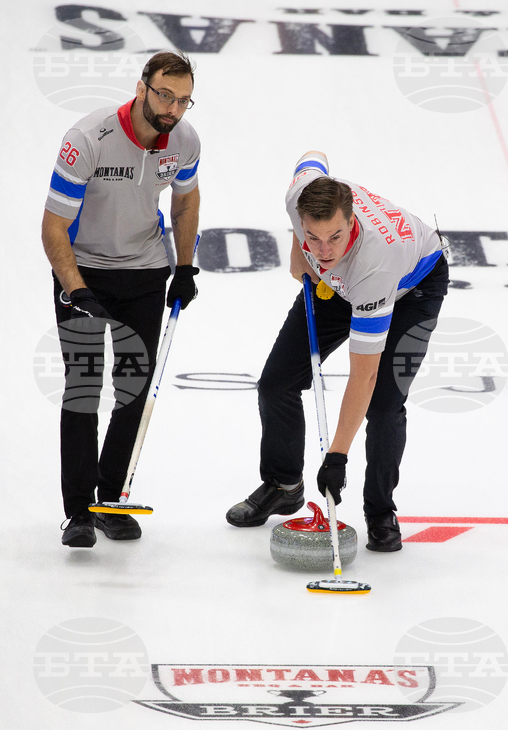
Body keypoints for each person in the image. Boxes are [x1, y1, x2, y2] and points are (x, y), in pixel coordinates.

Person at [225, 151, 448, 551]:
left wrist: (337, 457)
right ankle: (284, 484)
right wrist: (300, 250)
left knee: (383, 406)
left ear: (352, 221)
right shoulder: (301, 198)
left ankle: (380, 510)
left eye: (334, 237)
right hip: (336, 286)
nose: (324, 250)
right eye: (314, 236)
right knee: (276, 384)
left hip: (412, 286)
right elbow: (313, 156)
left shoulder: (376, 265)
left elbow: (364, 375)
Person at [43, 51, 202, 548]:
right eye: (164, 95)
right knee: (84, 387)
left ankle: (109, 500)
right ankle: (78, 514)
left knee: (134, 387)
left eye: (183, 100)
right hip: (84, 270)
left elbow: (185, 199)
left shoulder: (185, 141)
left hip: (145, 272)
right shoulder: (88, 139)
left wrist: (182, 266)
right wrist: (76, 289)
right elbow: (52, 227)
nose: (173, 109)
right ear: (141, 88)